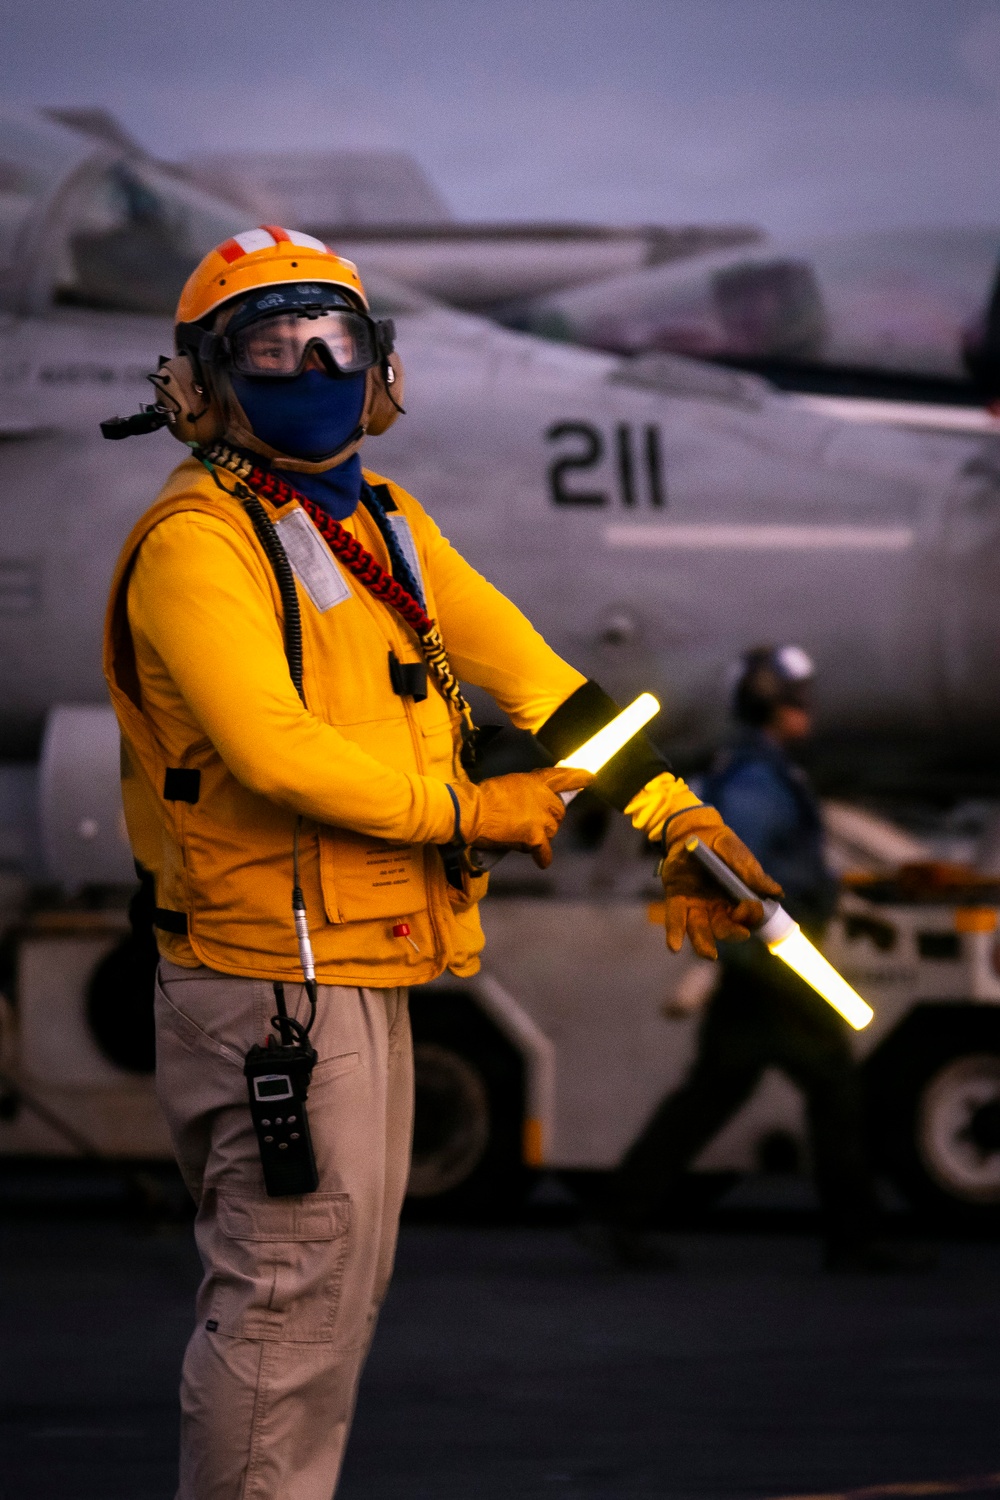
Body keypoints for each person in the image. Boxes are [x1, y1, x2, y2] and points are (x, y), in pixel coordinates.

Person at [102, 226, 778, 1499]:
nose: (309, 363)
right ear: (201, 381)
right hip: (274, 993)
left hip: (360, 968)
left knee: (323, 1327)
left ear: (381, 367)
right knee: (285, 1326)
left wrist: (678, 817)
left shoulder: (386, 527)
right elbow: (278, 756)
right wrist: (470, 810)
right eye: (269, 343)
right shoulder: (200, 545)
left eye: (335, 340)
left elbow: (550, 692)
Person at [588, 645, 919, 1273]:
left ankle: (615, 1215)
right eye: (799, 699)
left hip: (764, 961)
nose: (808, 711)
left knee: (713, 1093)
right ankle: (856, 1241)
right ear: (773, 704)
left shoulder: (755, 768)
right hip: (777, 962)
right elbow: (736, 864)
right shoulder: (758, 778)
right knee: (834, 1087)